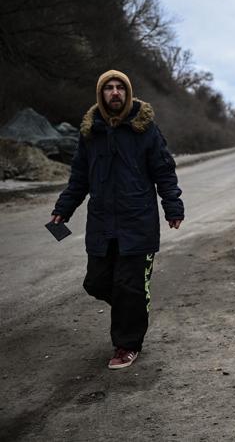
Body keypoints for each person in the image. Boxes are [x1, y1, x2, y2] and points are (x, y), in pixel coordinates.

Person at [51, 70, 184, 370]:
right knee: (96, 282)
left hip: (137, 222)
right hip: (101, 224)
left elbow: (164, 170)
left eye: (119, 88)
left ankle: (127, 344)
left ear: (127, 92)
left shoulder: (145, 128)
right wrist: (64, 208)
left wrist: (172, 206)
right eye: (108, 88)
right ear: (101, 94)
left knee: (129, 285)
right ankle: (132, 309)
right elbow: (79, 177)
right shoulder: (90, 132)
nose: (114, 93)